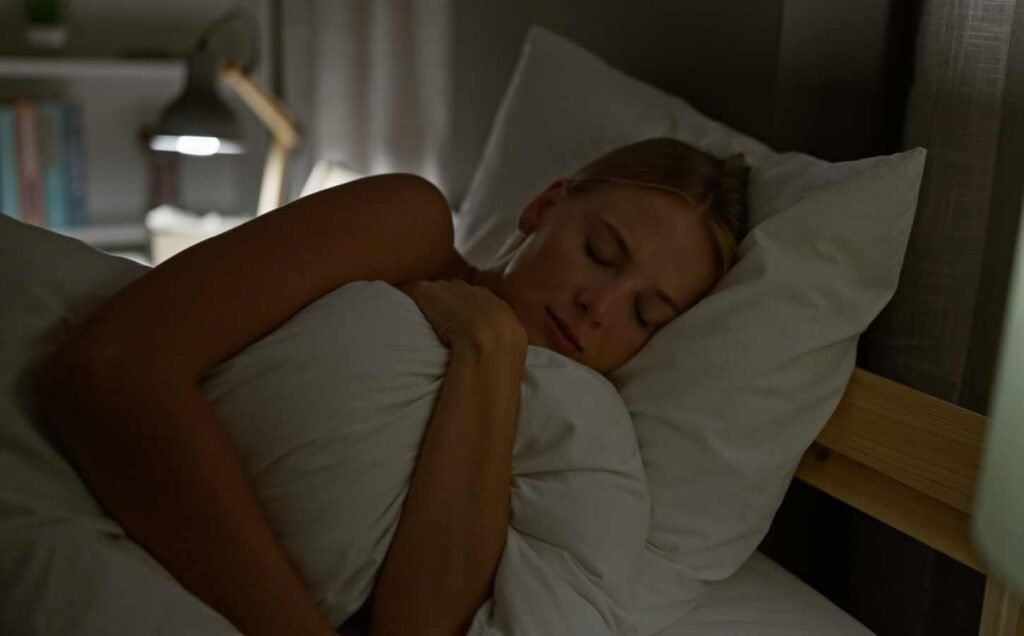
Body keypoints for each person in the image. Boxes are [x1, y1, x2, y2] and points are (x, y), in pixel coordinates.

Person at [35, 137, 749, 635]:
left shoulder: (556, 445)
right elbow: (110, 368)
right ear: (542, 206)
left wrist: (489, 351)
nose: (602, 303)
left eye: (646, 313)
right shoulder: (412, 225)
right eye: (599, 253)